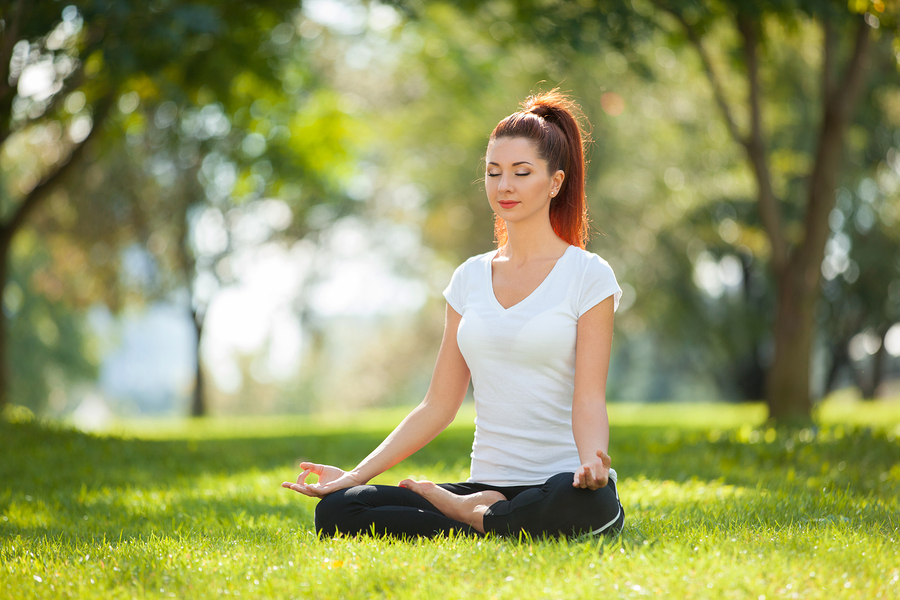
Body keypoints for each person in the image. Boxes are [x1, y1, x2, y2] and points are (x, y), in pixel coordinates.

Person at [282, 89, 625, 538]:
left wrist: (592, 462)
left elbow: (588, 397)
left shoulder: (588, 275)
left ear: (555, 182)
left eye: (522, 173)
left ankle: (474, 518)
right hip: (483, 484)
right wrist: (354, 476)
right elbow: (438, 405)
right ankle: (490, 518)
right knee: (339, 511)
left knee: (593, 504)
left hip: (560, 482)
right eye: (493, 172)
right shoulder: (468, 279)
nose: (505, 186)